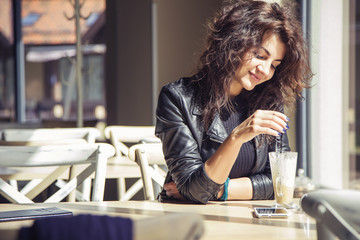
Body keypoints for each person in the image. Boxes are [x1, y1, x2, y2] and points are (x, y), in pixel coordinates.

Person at [155, 0, 312, 204]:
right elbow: (196, 191)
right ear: (234, 42)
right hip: (192, 223)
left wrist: (222, 190)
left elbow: (279, 181)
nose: (265, 70)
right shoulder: (177, 98)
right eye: (259, 55)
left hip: (247, 221)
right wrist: (237, 137)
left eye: (274, 64)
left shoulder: (269, 101)